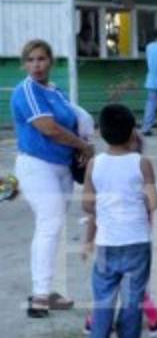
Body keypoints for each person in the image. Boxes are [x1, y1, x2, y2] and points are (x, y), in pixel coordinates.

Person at [11, 39, 93, 317]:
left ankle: (46, 290)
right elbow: (49, 129)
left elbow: (73, 122)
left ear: (51, 62)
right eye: (31, 60)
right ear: (24, 63)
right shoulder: (27, 91)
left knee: (53, 227)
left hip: (60, 167)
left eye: (41, 59)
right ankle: (40, 297)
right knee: (50, 223)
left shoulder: (55, 91)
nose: (36, 65)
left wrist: (83, 144)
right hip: (36, 165)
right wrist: (82, 146)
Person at [78, 104, 157, 338]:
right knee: (133, 297)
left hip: (107, 240)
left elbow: (87, 205)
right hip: (137, 239)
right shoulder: (142, 163)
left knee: (103, 296)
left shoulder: (94, 164)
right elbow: (153, 202)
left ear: (101, 133)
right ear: (133, 132)